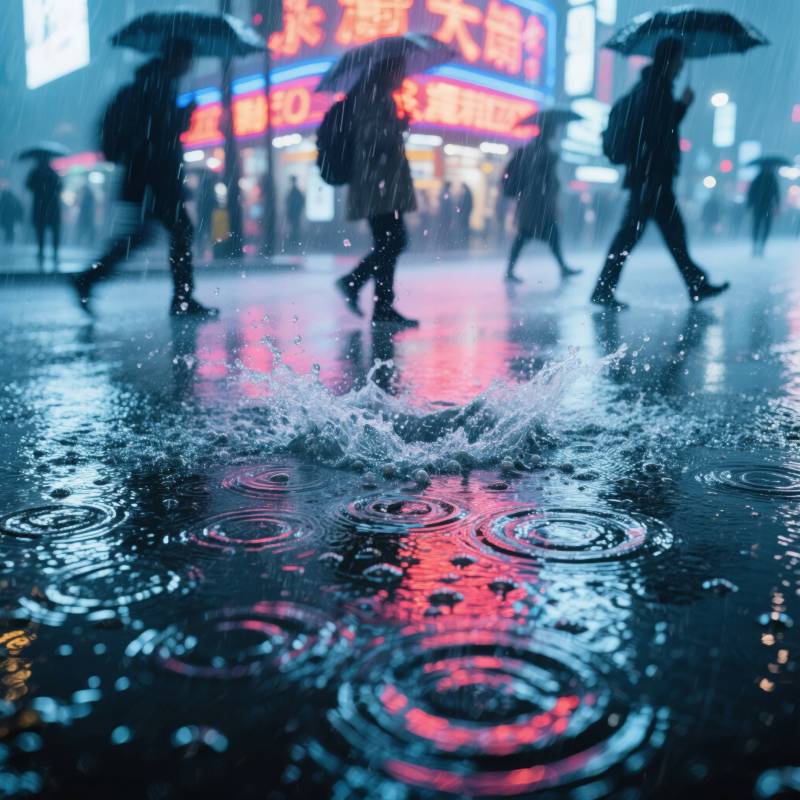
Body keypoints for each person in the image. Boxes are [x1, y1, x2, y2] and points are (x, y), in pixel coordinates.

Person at [72, 38, 217, 317]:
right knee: (177, 231)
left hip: (147, 173)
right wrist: (184, 115)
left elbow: (156, 130)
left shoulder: (152, 82)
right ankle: (181, 299)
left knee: (146, 234)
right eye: (188, 59)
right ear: (176, 58)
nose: (190, 65)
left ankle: (90, 278)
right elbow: (162, 132)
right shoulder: (157, 85)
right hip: (155, 174)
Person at [591, 38, 728, 309]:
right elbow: (658, 132)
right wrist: (682, 106)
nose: (681, 66)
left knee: (660, 234)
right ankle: (605, 289)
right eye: (679, 60)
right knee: (638, 235)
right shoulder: (656, 89)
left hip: (649, 177)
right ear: (669, 60)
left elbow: (658, 127)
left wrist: (679, 107)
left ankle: (695, 284)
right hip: (651, 177)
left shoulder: (652, 87)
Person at [334, 56, 418, 327]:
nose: (402, 76)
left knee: (388, 243)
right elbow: (372, 138)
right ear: (388, 71)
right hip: (378, 187)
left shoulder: (374, 96)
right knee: (394, 242)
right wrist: (397, 127)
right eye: (400, 70)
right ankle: (355, 283)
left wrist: (396, 125)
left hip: (380, 186)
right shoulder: (374, 97)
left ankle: (382, 305)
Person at [504, 120, 581, 282]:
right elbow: (541, 177)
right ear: (548, 131)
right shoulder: (539, 151)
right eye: (553, 129)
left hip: (536, 203)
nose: (555, 133)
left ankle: (511, 270)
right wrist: (552, 160)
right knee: (533, 235)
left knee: (532, 235)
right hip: (536, 203)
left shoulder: (536, 150)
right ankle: (561, 267)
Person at [25, 158, 61, 266]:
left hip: (40, 205)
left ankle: (41, 252)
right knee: (54, 230)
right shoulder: (53, 173)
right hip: (52, 205)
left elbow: (28, 185)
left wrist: (39, 188)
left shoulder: (35, 172)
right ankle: (55, 252)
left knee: (40, 230)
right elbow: (60, 187)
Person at [747, 167, 780, 256]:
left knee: (757, 226)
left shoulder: (758, 178)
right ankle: (760, 245)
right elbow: (776, 193)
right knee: (764, 227)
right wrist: (777, 205)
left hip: (759, 207)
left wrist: (749, 204)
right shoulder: (771, 178)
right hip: (766, 207)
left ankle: (757, 245)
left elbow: (751, 192)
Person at [285, 175, 305, 252]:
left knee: (294, 227)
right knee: (294, 227)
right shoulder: (294, 191)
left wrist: (296, 210)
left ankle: (294, 241)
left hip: (294, 213)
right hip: (294, 212)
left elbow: (299, 201)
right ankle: (294, 241)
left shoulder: (295, 191)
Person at [438, 181, 454, 248]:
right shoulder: (446, 193)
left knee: (444, 229)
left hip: (444, 215)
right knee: (445, 229)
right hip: (446, 215)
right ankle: (445, 242)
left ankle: (444, 242)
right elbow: (446, 205)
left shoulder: (444, 192)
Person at [458, 183, 473, 249]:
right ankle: (464, 238)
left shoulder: (467, 194)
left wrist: (464, 212)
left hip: (465, 214)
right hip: (466, 213)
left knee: (465, 226)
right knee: (465, 226)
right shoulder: (468, 194)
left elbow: (467, 205)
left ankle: (465, 238)